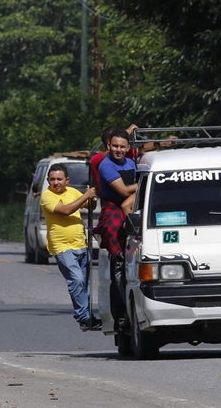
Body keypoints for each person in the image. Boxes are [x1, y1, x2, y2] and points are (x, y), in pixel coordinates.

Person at [40, 164, 100, 331]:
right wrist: (86, 196)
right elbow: (66, 210)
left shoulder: (73, 192)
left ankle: (88, 317)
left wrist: (91, 198)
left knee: (85, 283)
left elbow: (90, 206)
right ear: (48, 181)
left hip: (81, 244)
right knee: (76, 280)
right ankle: (83, 317)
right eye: (52, 179)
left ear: (67, 180)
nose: (56, 182)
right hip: (62, 247)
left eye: (59, 179)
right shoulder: (47, 197)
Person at [93, 128, 137, 328]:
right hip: (113, 214)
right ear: (109, 146)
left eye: (122, 147)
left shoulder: (132, 162)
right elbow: (124, 190)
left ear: (128, 147)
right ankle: (124, 313)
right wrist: (147, 179)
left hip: (133, 210)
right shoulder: (106, 166)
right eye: (115, 146)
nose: (119, 150)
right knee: (119, 262)